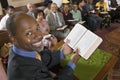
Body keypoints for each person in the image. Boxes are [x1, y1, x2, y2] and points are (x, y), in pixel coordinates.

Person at [6, 12, 80, 80]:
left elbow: (40, 58)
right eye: (29, 33)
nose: (39, 35)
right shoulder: (27, 73)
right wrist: (72, 62)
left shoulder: (20, 50)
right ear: (13, 39)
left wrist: (62, 52)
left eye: (37, 28)